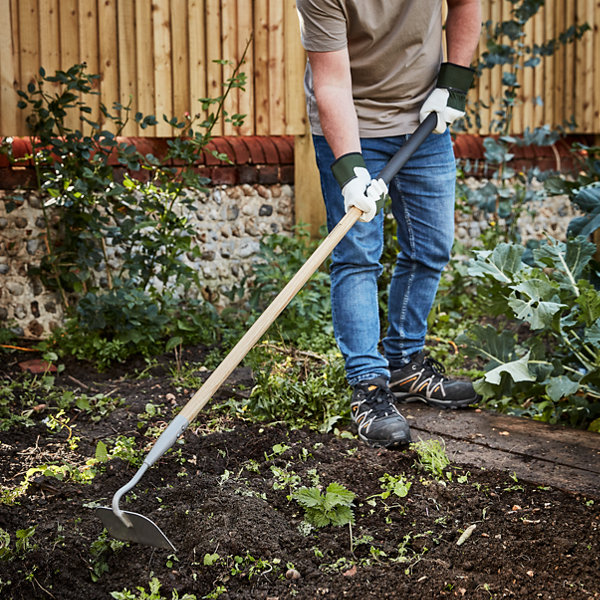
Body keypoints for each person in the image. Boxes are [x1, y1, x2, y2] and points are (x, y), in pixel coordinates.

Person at [295, 0, 483, 448]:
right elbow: (331, 81)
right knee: (357, 256)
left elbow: (466, 3)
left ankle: (404, 364)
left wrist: (454, 83)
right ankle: (368, 384)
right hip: (351, 125)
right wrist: (350, 171)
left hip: (425, 119)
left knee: (431, 247)